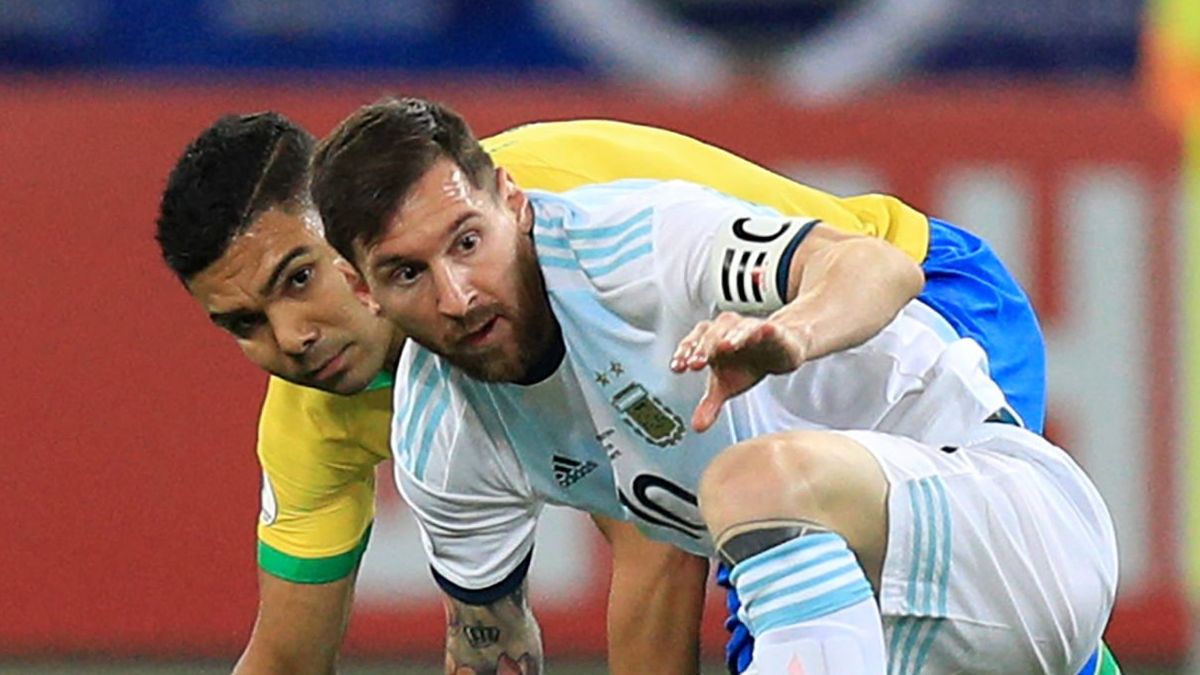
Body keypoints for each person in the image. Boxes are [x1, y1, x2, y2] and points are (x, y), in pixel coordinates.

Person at [309, 97, 1117, 674]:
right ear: (364, 289)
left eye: (468, 242)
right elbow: (488, 646)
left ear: (514, 204)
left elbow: (878, 264)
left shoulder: (635, 245)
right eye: (409, 272)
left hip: (1004, 533)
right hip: (860, 623)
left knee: (750, 479)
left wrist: (792, 333)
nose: (457, 295)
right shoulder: (437, 439)